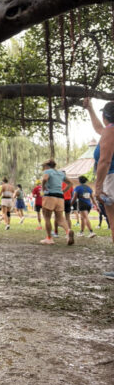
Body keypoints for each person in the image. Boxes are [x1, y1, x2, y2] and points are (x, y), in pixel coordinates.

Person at [83, 98, 114, 279]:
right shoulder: (108, 131)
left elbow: (104, 160)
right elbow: (98, 129)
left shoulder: (111, 130)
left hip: (111, 179)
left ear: (106, 116)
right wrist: (90, 109)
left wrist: (98, 186)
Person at [40, 160, 74, 245]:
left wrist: (43, 187)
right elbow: (70, 183)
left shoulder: (48, 171)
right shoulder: (60, 173)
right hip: (60, 197)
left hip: (50, 196)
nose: (43, 169)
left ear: (47, 166)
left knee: (47, 218)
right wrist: (63, 191)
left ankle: (49, 238)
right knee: (60, 218)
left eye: (43, 167)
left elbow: (45, 179)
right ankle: (68, 231)